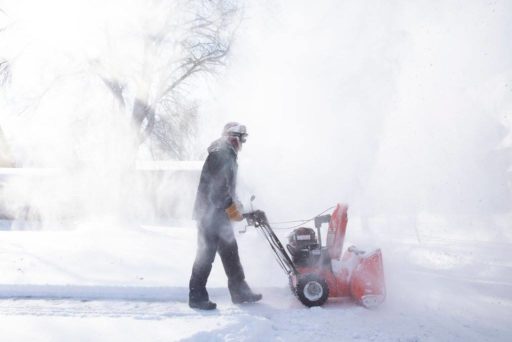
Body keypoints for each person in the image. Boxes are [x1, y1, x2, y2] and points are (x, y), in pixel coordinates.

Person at [189, 122, 262, 310]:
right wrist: (231, 208)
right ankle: (196, 297)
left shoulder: (227, 154)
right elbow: (217, 189)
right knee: (206, 254)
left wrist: (236, 204)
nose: (243, 143)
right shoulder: (220, 154)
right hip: (209, 214)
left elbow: (228, 187)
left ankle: (240, 291)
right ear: (233, 137)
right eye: (242, 138)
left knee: (230, 252)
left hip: (218, 213)